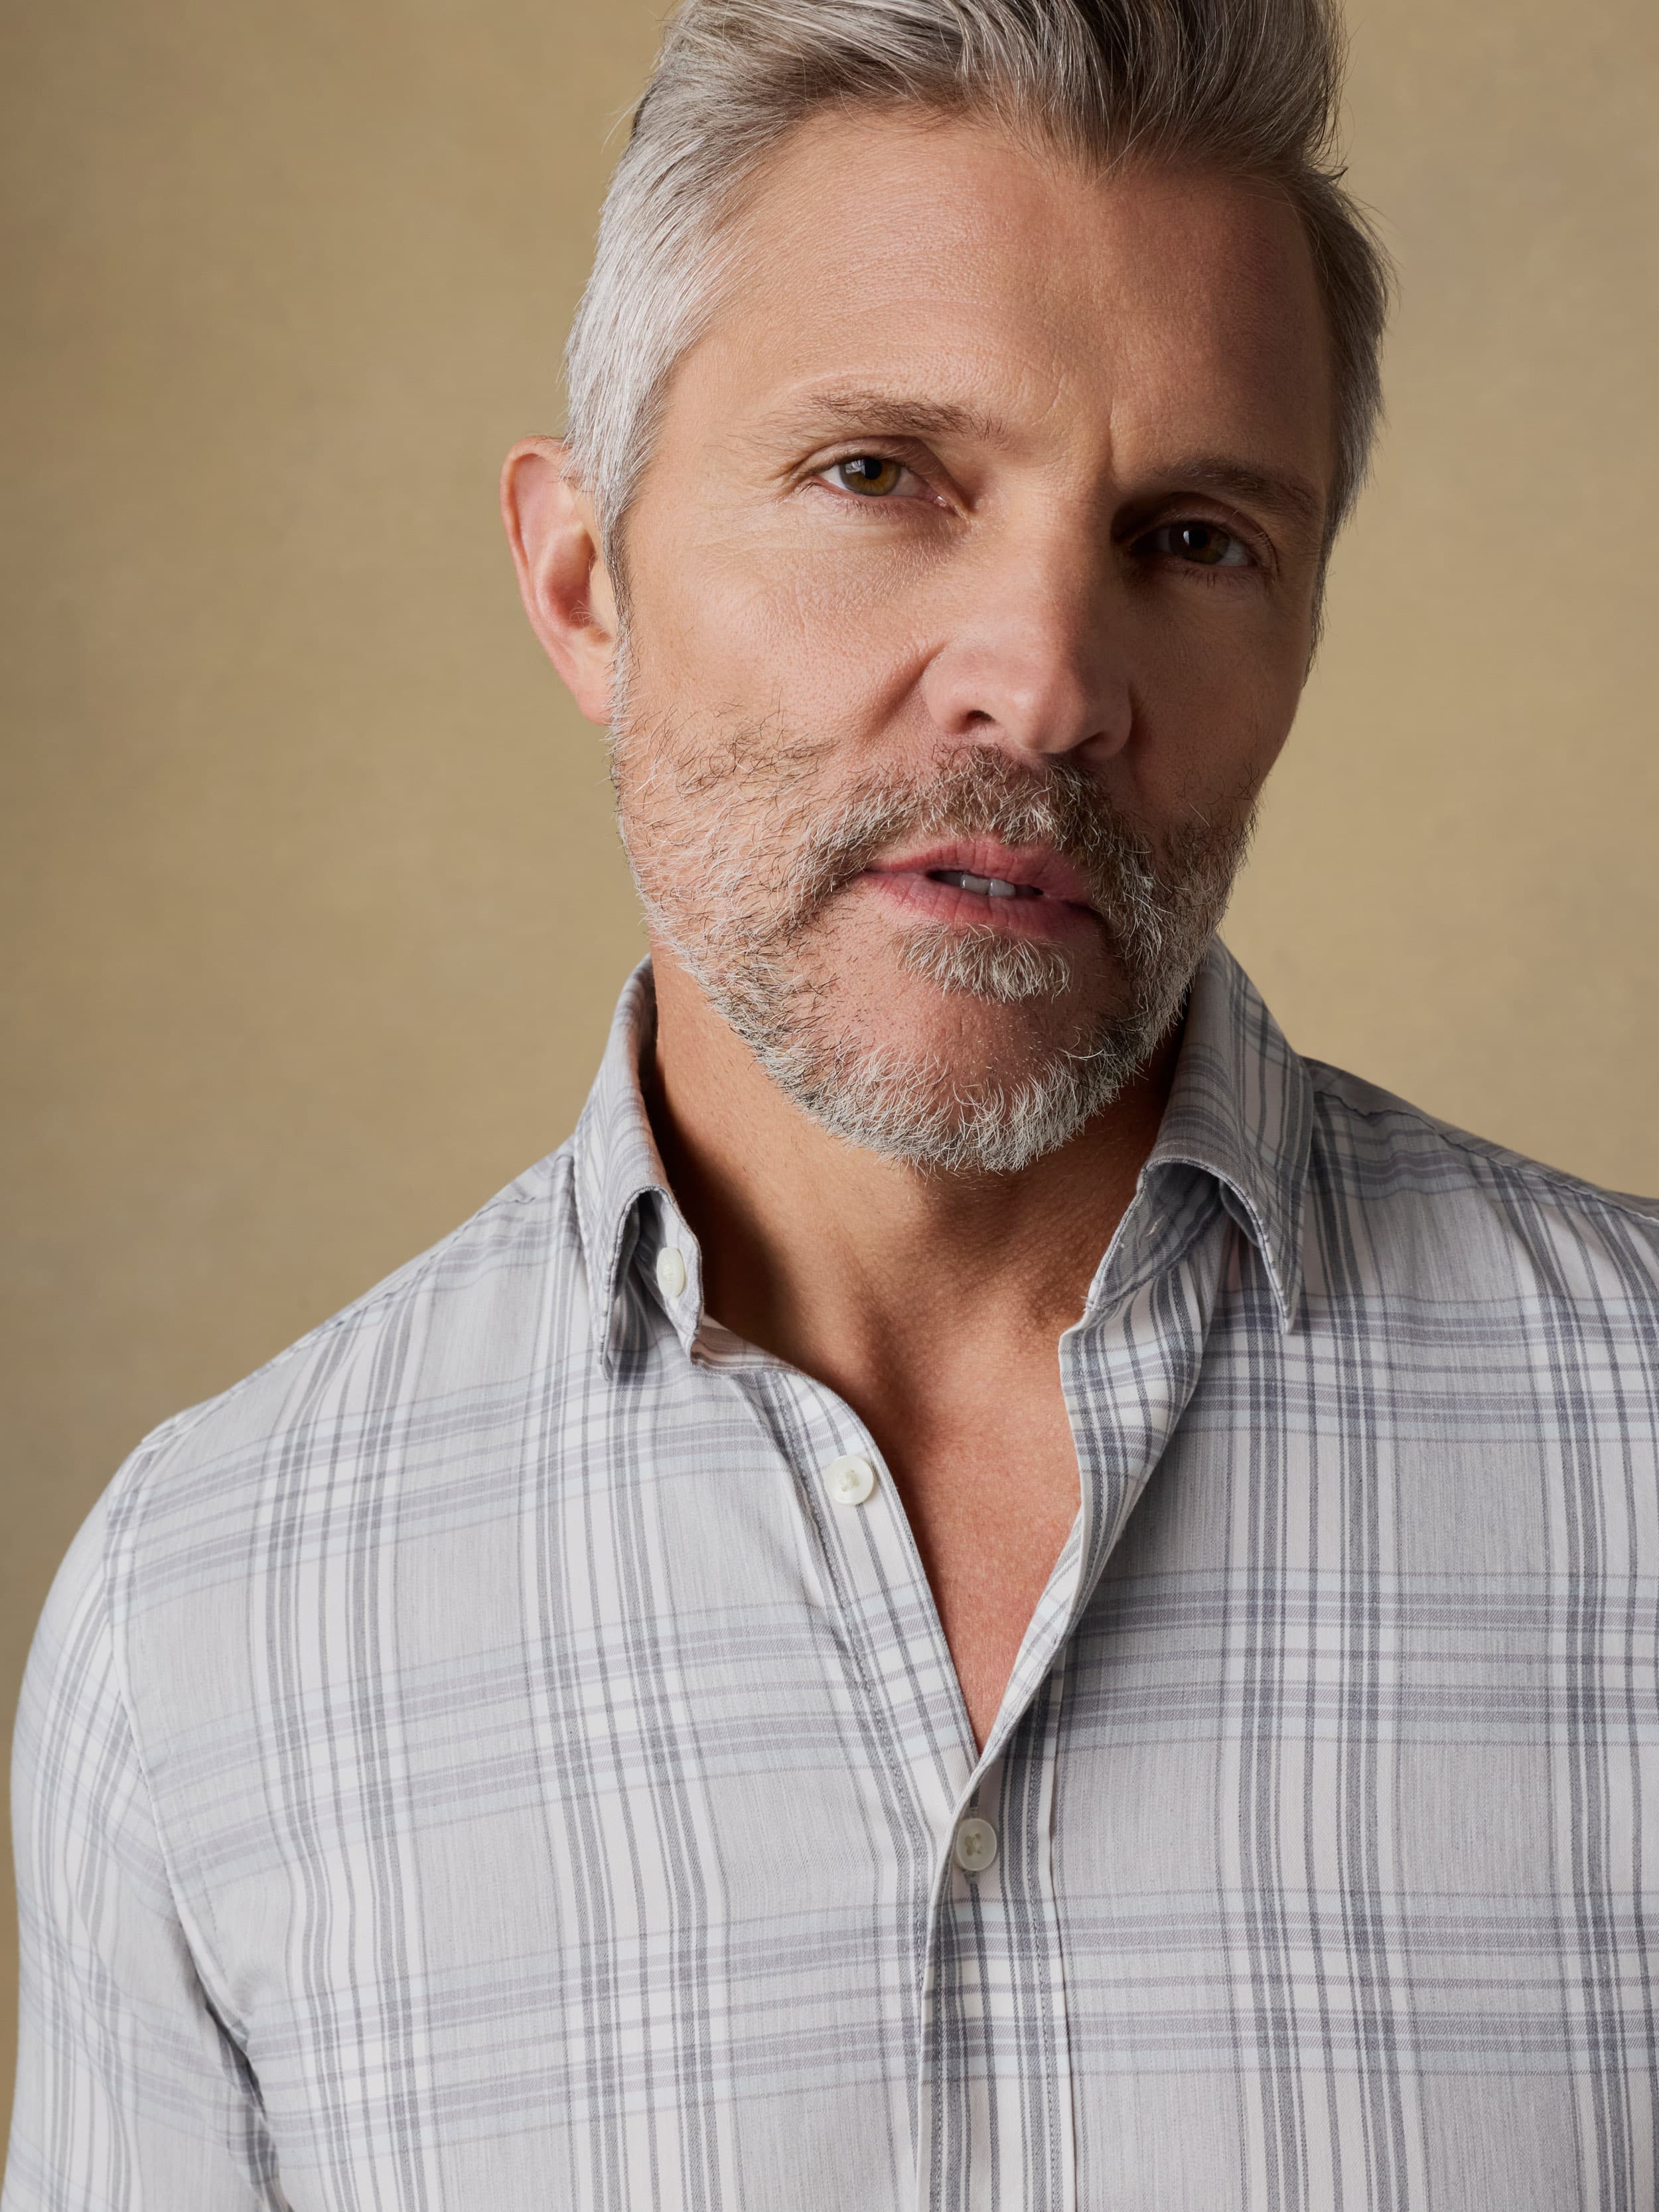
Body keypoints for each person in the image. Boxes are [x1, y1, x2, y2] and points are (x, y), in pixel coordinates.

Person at [8, 0, 1658, 2205]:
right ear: (583, 581)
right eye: (879, 475)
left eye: (1190, 538)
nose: (1048, 680)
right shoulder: (206, 1622)